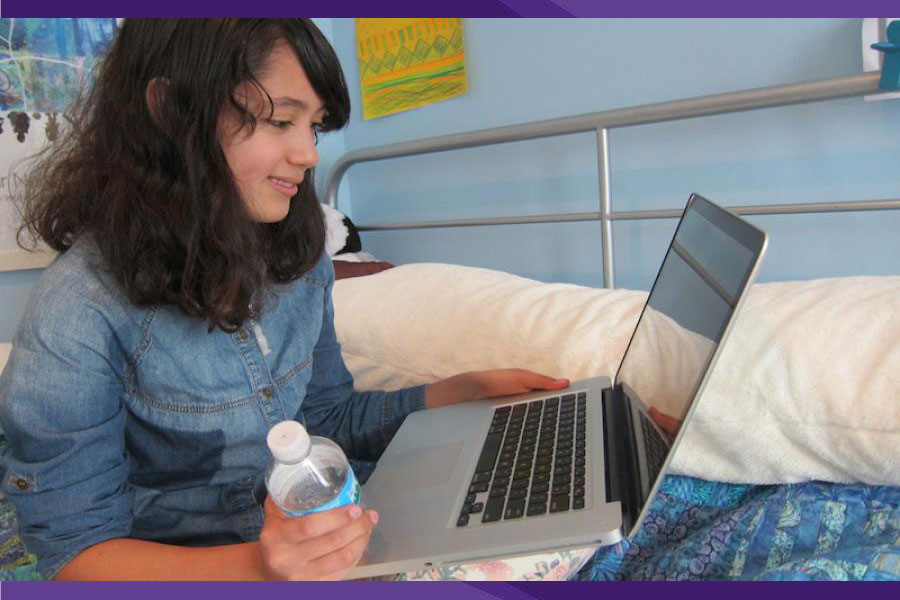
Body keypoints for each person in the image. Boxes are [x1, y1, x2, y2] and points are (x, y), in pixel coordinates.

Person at [0, 19, 569, 581]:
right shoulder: (76, 313)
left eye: (315, 127)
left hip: (324, 530)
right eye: (280, 120)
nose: (309, 153)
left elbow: (324, 420)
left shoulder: (298, 259)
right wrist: (259, 566)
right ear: (172, 111)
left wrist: (461, 391)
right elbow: (74, 559)